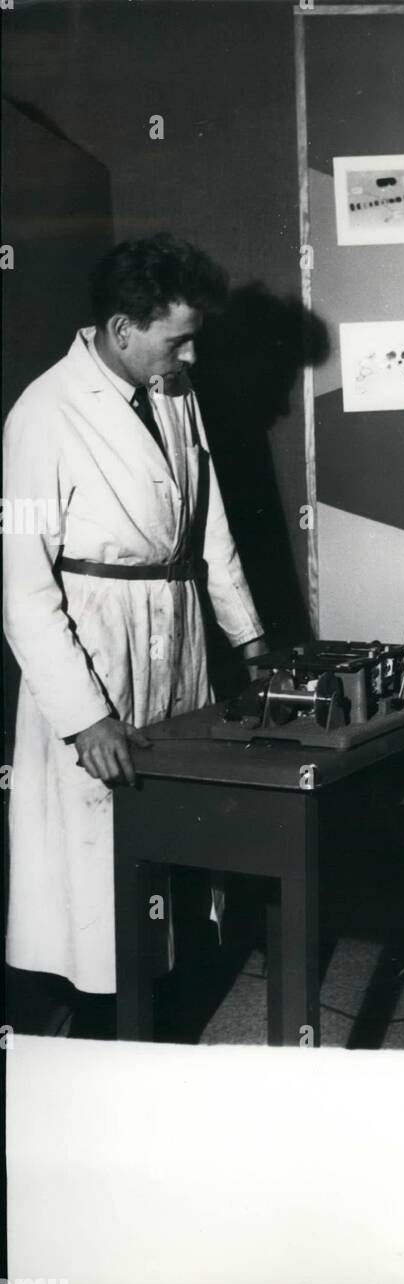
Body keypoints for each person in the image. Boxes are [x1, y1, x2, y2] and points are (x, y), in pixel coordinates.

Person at [3, 234, 268, 1037]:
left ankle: (167, 1013)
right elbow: (21, 590)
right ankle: (102, 1032)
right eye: (176, 337)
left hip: (176, 630)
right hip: (97, 648)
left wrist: (248, 636)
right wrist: (84, 717)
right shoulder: (41, 416)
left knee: (175, 842)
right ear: (122, 328)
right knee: (96, 864)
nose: (190, 352)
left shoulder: (174, 391)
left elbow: (207, 519)